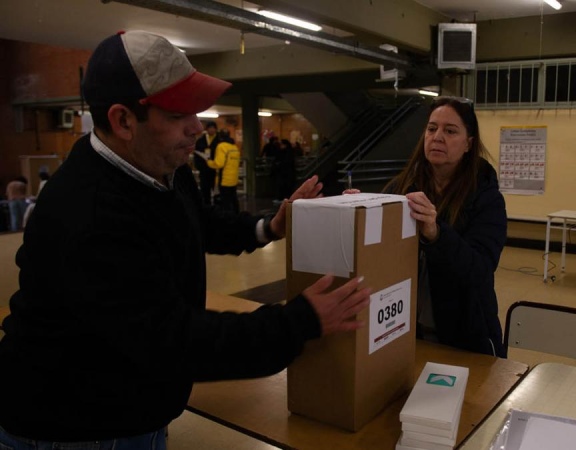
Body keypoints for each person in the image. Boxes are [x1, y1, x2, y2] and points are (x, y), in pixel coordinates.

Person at [0, 30, 371, 449]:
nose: (198, 128)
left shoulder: (158, 165)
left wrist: (270, 227)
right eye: (179, 114)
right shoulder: (89, 214)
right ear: (123, 120)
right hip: (74, 427)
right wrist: (301, 321)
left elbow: (200, 222)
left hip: (131, 403)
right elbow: (173, 340)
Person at [352, 96, 508, 357]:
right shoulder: (400, 189)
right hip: (400, 329)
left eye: (450, 131)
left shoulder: (487, 198)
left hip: (464, 337)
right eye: (432, 128)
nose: (437, 137)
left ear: (468, 144)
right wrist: (356, 211)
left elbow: (480, 270)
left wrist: (437, 234)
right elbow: (375, 255)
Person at [204, 128, 241, 213]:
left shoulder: (221, 146)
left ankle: (228, 219)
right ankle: (237, 216)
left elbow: (219, 163)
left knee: (225, 202)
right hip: (233, 179)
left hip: (224, 179)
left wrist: (208, 162)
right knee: (234, 199)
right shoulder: (234, 146)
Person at [194, 120, 221, 205]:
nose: (211, 130)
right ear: (207, 129)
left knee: (217, 190)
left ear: (216, 129)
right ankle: (206, 206)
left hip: (215, 169)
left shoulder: (220, 140)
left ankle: (217, 208)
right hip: (204, 169)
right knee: (204, 189)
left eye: (213, 128)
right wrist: (198, 166)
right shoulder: (201, 141)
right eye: (210, 128)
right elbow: (196, 154)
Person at [273, 138, 296, 203]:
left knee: (285, 186)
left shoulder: (288, 153)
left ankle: (283, 198)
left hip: (286, 173)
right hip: (285, 173)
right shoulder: (288, 152)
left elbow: (287, 162)